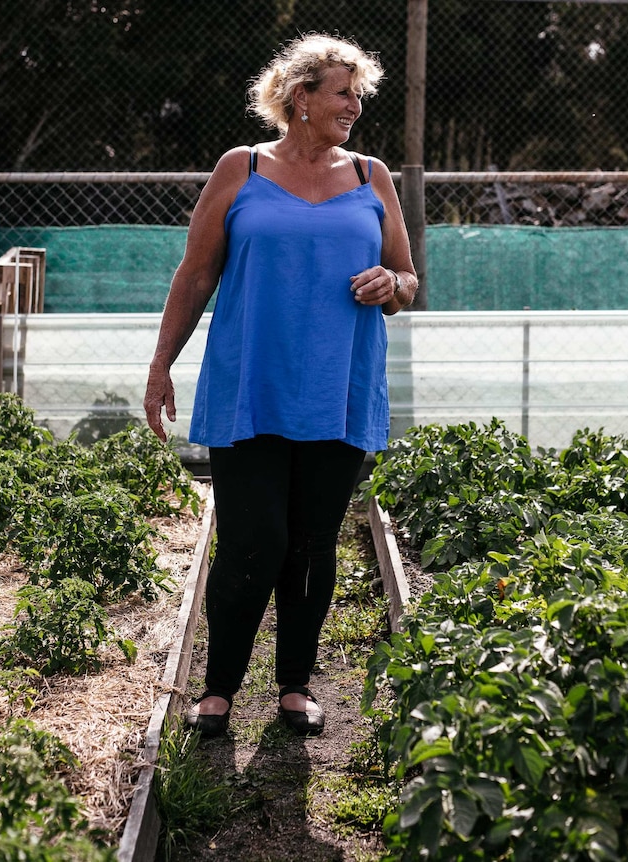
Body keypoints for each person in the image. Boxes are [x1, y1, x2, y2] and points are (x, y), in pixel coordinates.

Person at [143, 32, 417, 737]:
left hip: (339, 388)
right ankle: (218, 689)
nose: (354, 106)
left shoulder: (370, 176)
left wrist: (394, 283)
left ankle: (294, 685)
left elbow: (408, 280)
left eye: (359, 95)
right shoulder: (242, 169)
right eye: (342, 93)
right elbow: (197, 273)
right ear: (300, 97)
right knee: (251, 539)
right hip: (251, 386)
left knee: (310, 542)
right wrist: (161, 363)